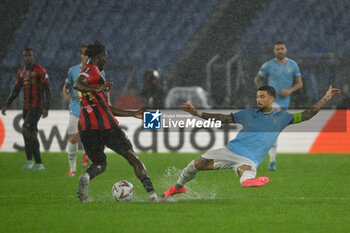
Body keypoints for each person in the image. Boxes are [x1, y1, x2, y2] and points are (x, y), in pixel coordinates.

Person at [163, 85, 340, 198]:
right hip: (230, 151)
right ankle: (178, 187)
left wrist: (326, 98)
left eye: (262, 96)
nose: (258, 99)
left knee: (245, 171)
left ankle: (248, 181)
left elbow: (307, 115)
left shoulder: (283, 117)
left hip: (250, 159)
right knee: (196, 164)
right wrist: (197, 113)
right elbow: (223, 119)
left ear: (272, 98)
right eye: (257, 96)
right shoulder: (248, 113)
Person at [73, 41, 158, 202]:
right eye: (104, 57)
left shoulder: (94, 75)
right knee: (132, 158)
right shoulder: (92, 70)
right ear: (99, 58)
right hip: (106, 125)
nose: (105, 60)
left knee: (99, 163)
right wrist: (96, 89)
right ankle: (152, 195)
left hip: (87, 128)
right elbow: (78, 84)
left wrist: (133, 114)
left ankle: (86, 176)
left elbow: (108, 107)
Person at [254, 42, 303, 171]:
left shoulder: (293, 65)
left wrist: (289, 91)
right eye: (277, 49)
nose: (279, 51)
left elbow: (299, 84)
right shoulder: (268, 65)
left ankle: (272, 160)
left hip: (285, 103)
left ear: (285, 50)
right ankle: (269, 160)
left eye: (281, 49)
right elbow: (257, 79)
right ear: (274, 51)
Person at [1, 48, 51, 170]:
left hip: (37, 107)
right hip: (26, 107)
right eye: (25, 55)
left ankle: (30, 161)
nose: (27, 58)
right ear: (23, 57)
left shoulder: (40, 70)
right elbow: (16, 90)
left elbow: (47, 90)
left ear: (33, 57)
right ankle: (37, 163)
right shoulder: (21, 72)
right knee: (32, 134)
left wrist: (46, 107)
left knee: (25, 130)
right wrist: (7, 104)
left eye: (29, 55)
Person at [63, 44, 106, 177]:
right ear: (80, 55)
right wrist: (66, 95)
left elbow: (104, 88)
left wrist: (107, 102)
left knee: (90, 135)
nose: (85, 56)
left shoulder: (99, 70)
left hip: (91, 107)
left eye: (87, 54)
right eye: (83, 53)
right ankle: (72, 169)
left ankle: (86, 154)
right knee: (73, 137)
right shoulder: (73, 70)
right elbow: (66, 85)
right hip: (76, 107)